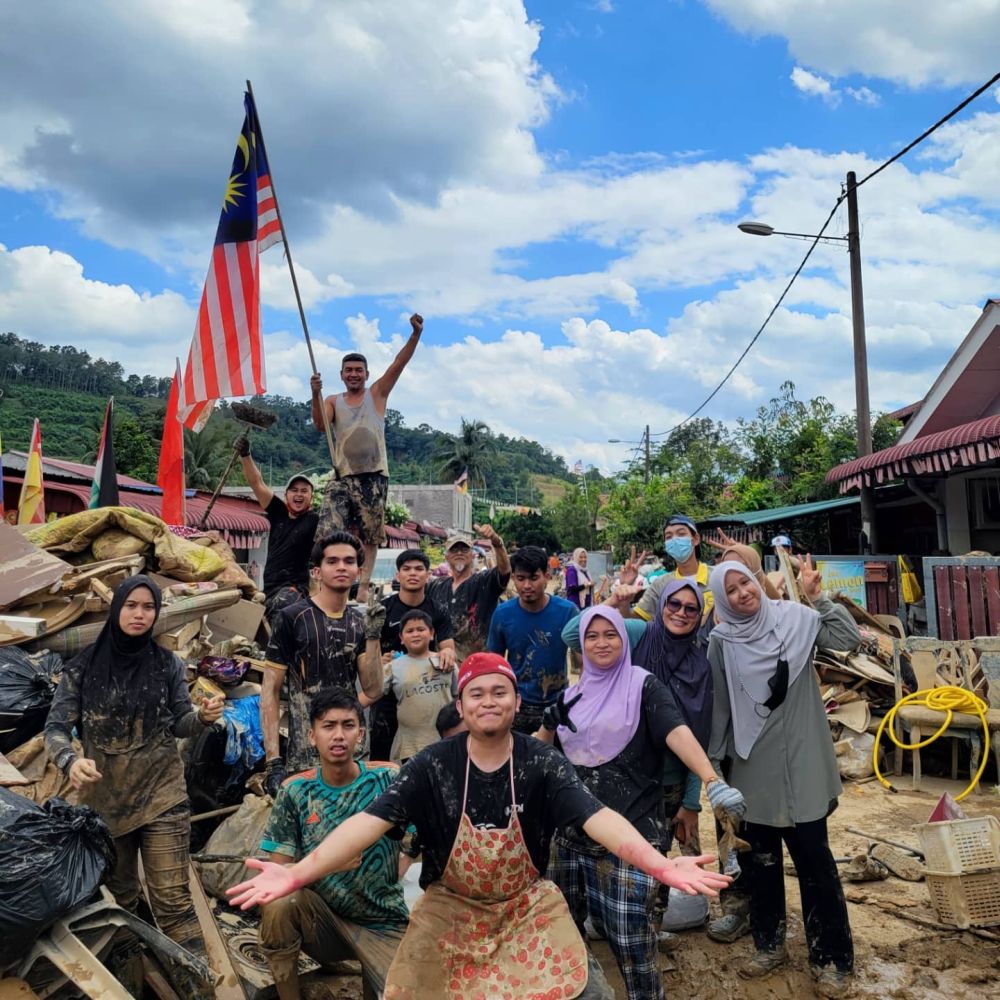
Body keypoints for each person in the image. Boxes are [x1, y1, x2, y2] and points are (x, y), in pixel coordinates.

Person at [229, 652, 733, 1000]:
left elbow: (599, 819)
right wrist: (296, 875)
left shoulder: (542, 763)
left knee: (587, 990)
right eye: (476, 694)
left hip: (526, 904)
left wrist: (660, 866)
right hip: (450, 905)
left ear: (515, 702)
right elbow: (366, 823)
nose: (488, 701)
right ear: (463, 704)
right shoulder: (432, 766)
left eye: (500, 692)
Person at [537, 606, 745, 1000]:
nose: (601, 643)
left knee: (634, 944)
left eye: (610, 634)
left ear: (624, 638)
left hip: (633, 837)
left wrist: (711, 781)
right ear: (580, 644)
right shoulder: (570, 695)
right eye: (592, 636)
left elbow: (678, 733)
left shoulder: (643, 686)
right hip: (569, 838)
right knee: (562, 935)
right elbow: (540, 759)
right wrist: (548, 724)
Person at [45, 577, 224, 997]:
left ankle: (202, 991)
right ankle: (132, 988)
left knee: (173, 902)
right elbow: (55, 727)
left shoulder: (168, 664)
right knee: (120, 907)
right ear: (117, 609)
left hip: (162, 794)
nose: (140, 614)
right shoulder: (82, 667)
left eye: (148, 607)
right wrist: (70, 760)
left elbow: (180, 720)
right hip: (106, 803)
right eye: (132, 606)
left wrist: (202, 718)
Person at [707, 558, 860, 998]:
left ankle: (832, 957)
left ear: (757, 581)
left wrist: (818, 597)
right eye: (731, 590)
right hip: (752, 765)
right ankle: (768, 943)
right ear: (723, 599)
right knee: (762, 860)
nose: (742, 593)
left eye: (746, 582)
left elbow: (848, 639)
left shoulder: (796, 619)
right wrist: (716, 767)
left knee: (815, 860)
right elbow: (720, 704)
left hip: (805, 762)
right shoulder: (721, 641)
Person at [258, 688, 408, 999]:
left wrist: (397, 867)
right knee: (279, 904)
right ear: (312, 736)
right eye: (328, 726)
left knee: (401, 993)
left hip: (383, 922)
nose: (338, 735)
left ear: (361, 734)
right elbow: (277, 875)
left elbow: (421, 838)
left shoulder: (388, 780)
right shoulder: (295, 791)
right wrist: (327, 867)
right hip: (323, 923)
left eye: (348, 725)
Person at [309, 314, 423, 602]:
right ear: (342, 374)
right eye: (349, 370)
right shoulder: (333, 400)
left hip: (373, 475)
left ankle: (361, 588)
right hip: (343, 476)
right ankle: (325, 582)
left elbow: (399, 364)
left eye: (359, 370)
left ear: (366, 374)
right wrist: (315, 393)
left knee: (371, 534)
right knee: (328, 528)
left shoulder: (377, 394)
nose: (354, 374)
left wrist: (415, 335)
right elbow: (321, 425)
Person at [261, 532, 384, 794]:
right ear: (317, 571)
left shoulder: (360, 622)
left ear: (359, 571)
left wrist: (373, 636)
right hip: (307, 750)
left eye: (349, 561)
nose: (341, 567)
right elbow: (270, 690)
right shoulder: (292, 618)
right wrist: (273, 761)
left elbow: (373, 690)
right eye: (332, 561)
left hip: (353, 750)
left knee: (354, 829)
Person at [369, 548, 456, 761]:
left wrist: (446, 653)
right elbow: (368, 647)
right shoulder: (383, 610)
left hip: (423, 688)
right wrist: (377, 661)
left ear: (428, 575)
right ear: (398, 576)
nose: (413, 573)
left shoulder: (438, 610)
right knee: (384, 752)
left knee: (431, 751)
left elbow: (448, 646)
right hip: (387, 691)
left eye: (419, 569)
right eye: (406, 569)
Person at [486, 545, 579, 734]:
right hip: (518, 705)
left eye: (534, 578)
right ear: (513, 578)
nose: (527, 586)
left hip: (558, 705)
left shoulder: (567, 612)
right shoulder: (503, 614)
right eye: (521, 579)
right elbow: (493, 664)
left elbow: (584, 660)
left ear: (547, 575)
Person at [237, 436, 319, 623]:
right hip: (270, 590)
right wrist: (245, 455)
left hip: (295, 590)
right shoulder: (277, 512)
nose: (299, 494)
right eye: (294, 490)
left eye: (304, 491)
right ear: (286, 495)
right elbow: (257, 483)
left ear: (311, 497)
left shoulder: (314, 520)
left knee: (285, 610)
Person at [427, 525, 511, 661]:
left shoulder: (483, 581)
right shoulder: (436, 586)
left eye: (464, 549)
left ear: (473, 555)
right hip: (444, 666)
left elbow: (504, 571)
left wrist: (497, 542)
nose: (459, 553)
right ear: (447, 556)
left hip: (479, 665)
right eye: (454, 549)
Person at [382, 609, 456, 762]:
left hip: (446, 741)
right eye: (409, 631)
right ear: (401, 638)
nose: (415, 634)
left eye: (421, 629)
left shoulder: (446, 661)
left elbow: (460, 695)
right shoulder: (392, 667)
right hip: (410, 745)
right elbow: (372, 691)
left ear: (432, 633)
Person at [622, 516, 715, 622]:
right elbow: (634, 621)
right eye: (669, 537)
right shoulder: (660, 585)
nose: (674, 540)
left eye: (681, 534)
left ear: (695, 539)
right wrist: (624, 595)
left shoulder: (718, 577)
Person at [564, 547, 594, 611]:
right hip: (576, 605)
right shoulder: (572, 570)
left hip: (585, 605)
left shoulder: (585, 570)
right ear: (576, 557)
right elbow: (572, 589)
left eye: (585, 557)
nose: (583, 559)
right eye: (580, 557)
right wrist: (587, 584)